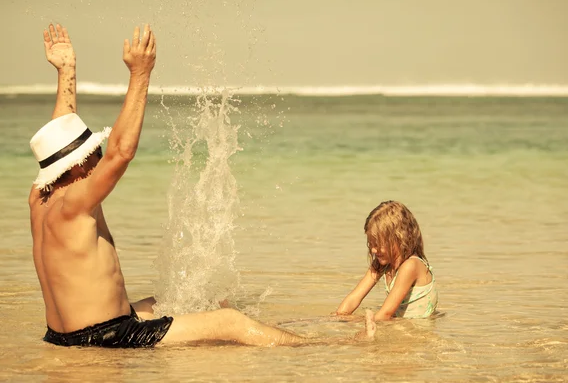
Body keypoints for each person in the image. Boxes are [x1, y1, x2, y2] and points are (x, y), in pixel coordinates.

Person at [30, 23, 358, 348]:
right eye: (93, 154)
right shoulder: (76, 203)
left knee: (180, 300)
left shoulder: (39, 198)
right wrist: (141, 74)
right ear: (77, 166)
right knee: (232, 324)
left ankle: (271, 330)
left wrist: (66, 71)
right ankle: (325, 348)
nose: (98, 159)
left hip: (64, 334)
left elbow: (59, 139)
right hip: (106, 336)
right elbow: (121, 152)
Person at [335, 201, 438, 320]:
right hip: (398, 324)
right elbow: (354, 298)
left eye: (378, 244)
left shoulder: (411, 265)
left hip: (416, 331)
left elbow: (385, 314)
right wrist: (337, 318)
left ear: (398, 238)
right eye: (371, 244)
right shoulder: (383, 264)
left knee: (358, 334)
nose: (373, 250)